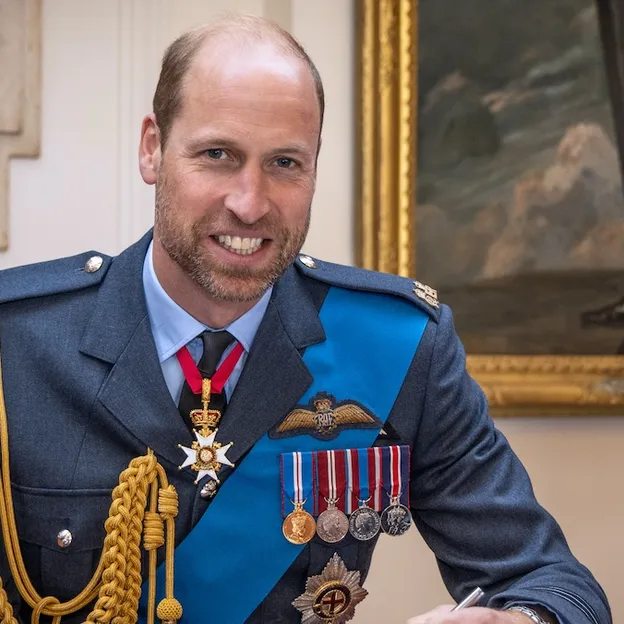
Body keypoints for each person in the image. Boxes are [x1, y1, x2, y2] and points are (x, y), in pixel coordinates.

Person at [0, 13, 610, 624]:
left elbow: (554, 585)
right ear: (152, 148)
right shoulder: (16, 344)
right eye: (218, 154)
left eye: (285, 163)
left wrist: (517, 621)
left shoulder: (399, 346)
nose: (250, 202)